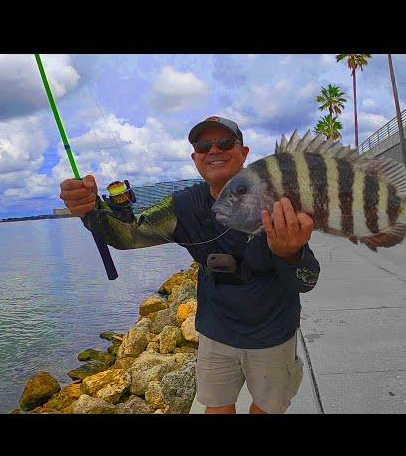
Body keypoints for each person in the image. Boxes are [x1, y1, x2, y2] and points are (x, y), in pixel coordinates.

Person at [59, 116, 320, 414]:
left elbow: (306, 279)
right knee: (217, 406)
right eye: (203, 145)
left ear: (244, 153)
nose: (213, 150)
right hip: (216, 329)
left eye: (224, 143)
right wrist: (91, 210)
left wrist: (290, 253)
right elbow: (129, 235)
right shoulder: (182, 207)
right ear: (194, 157)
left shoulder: (277, 199)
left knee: (267, 408)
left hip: (272, 331)